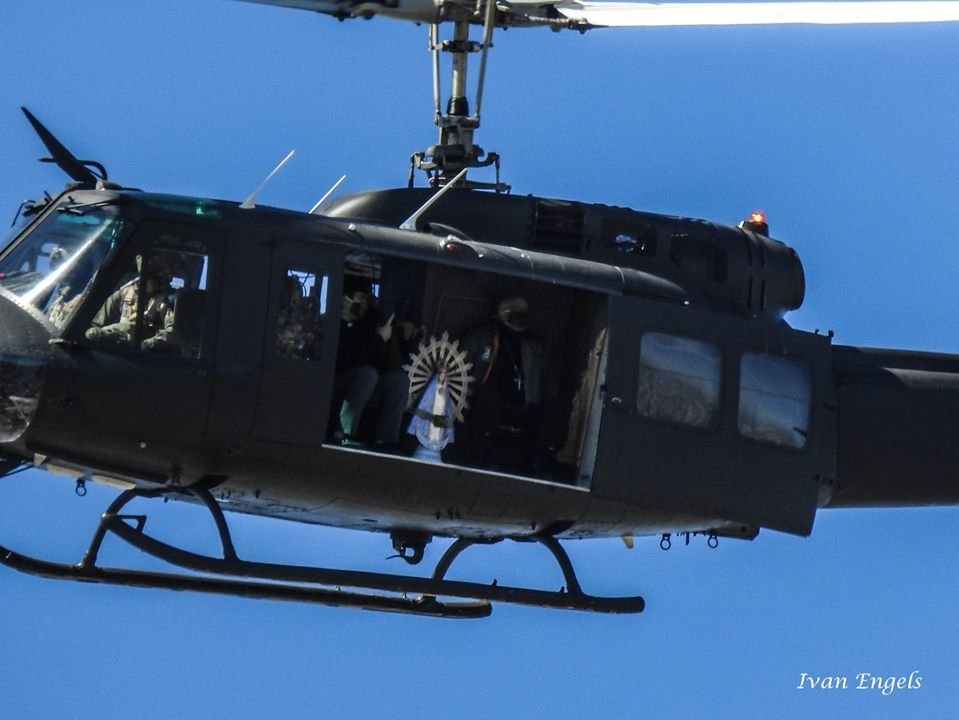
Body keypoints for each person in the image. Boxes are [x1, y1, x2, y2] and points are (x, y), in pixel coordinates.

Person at [459, 295, 548, 473]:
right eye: (515, 315)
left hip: (521, 402)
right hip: (484, 399)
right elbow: (462, 366)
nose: (519, 320)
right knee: (486, 400)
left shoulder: (532, 344)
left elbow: (540, 381)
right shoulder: (483, 336)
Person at [333, 276, 410, 450]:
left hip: (366, 385)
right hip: (334, 380)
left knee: (399, 380)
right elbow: (346, 360)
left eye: (365, 298)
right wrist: (378, 339)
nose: (363, 302)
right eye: (358, 297)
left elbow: (383, 361)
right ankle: (344, 433)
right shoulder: (334, 320)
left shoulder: (369, 322)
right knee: (367, 374)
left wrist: (400, 336)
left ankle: (386, 441)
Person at [85, 252, 177, 352]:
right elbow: (96, 322)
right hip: (118, 347)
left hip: (141, 356)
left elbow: (172, 333)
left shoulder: (167, 301)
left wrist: (147, 345)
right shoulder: (125, 293)